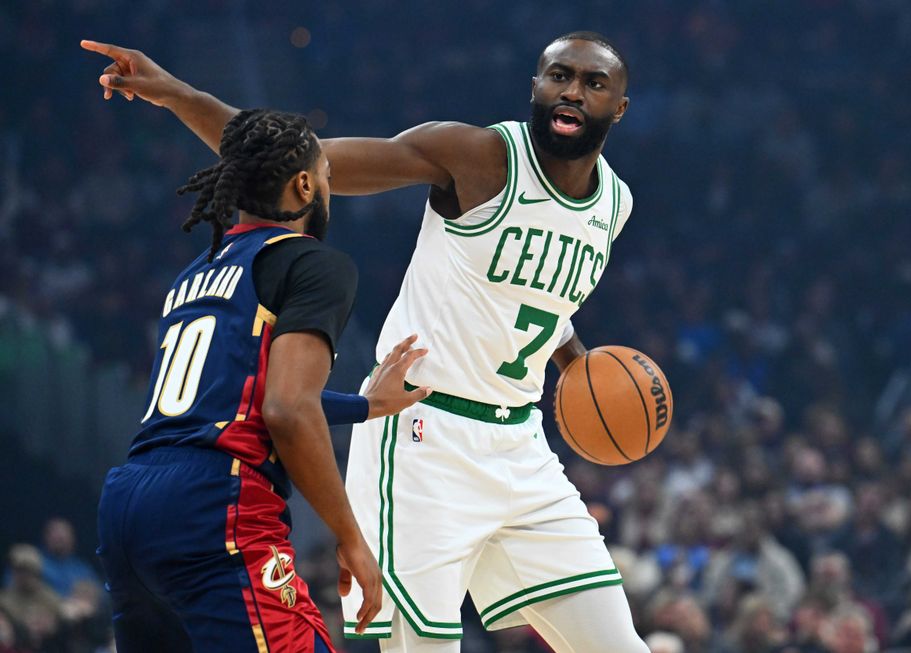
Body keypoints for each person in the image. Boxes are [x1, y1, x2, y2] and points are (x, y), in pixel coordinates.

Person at [82, 29, 648, 652]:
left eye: (593, 83)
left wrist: (575, 363)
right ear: (534, 87)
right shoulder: (477, 155)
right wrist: (177, 95)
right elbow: (291, 162)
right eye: (559, 76)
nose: (572, 91)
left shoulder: (613, 205)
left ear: (618, 107)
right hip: (422, 435)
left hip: (522, 447)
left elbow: (540, 304)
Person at [93, 108, 429, 653]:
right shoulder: (312, 263)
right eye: (328, 175)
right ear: (303, 185)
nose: (329, 187)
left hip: (130, 504)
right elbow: (287, 411)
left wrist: (364, 406)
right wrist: (351, 539)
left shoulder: (196, 270)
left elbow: (237, 396)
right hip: (214, 503)